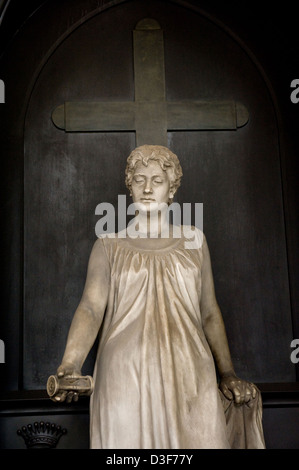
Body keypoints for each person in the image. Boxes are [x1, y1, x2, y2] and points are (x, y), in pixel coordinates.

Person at [52, 145, 265, 449]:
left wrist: (228, 373)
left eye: (157, 180)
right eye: (139, 180)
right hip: (125, 373)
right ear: (130, 186)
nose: (148, 188)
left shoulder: (194, 241)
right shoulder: (108, 245)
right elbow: (91, 307)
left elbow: (208, 311)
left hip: (190, 371)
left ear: (172, 188)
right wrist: (70, 363)